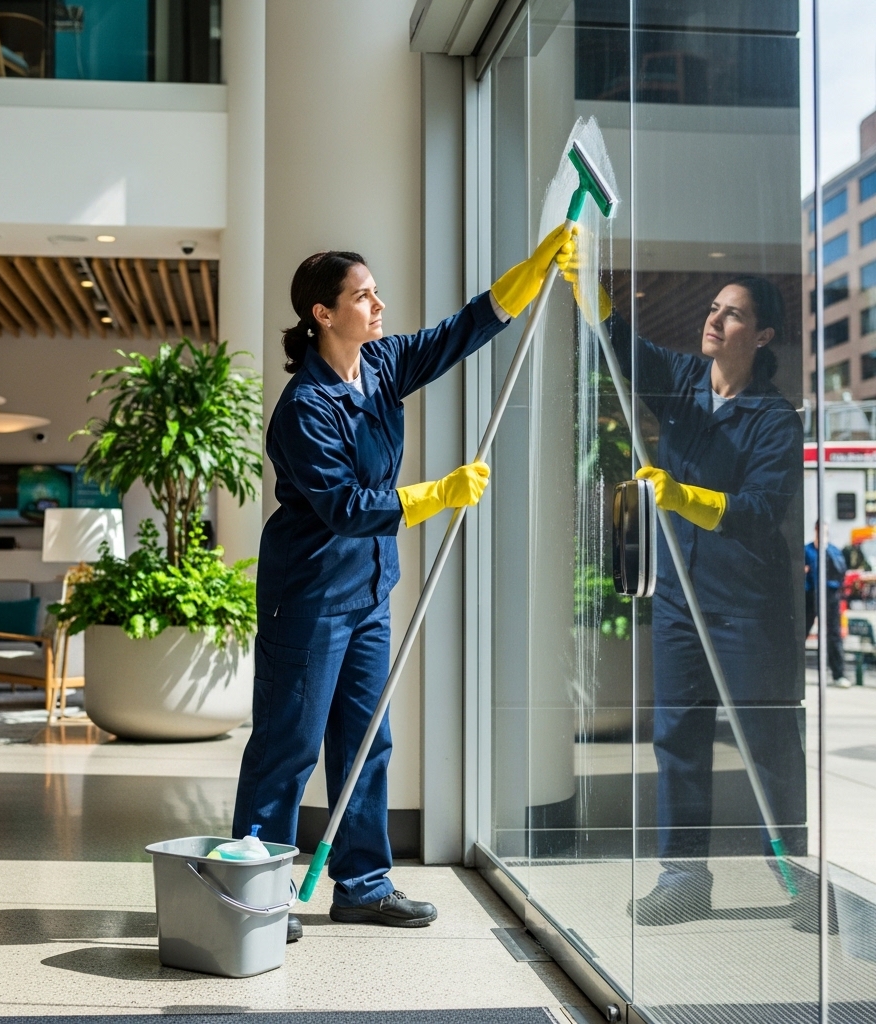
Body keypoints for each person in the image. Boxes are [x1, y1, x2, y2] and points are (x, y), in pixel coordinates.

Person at [234, 227, 574, 939]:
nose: (378, 304)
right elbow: (344, 508)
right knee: (289, 742)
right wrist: (437, 494)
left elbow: (460, 332)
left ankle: (362, 884)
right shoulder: (304, 408)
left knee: (366, 741)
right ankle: (255, 893)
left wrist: (533, 269)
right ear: (322, 314)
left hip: (367, 593)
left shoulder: (381, 364)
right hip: (309, 595)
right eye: (363, 296)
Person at [558, 244, 805, 925]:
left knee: (767, 741)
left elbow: (759, 514)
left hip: (747, 609)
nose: (716, 321)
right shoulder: (683, 382)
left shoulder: (775, 421)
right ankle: (684, 879)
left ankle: (799, 879)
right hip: (679, 601)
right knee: (678, 738)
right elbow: (622, 346)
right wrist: (589, 287)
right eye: (714, 309)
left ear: (761, 336)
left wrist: (684, 495)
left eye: (734, 315)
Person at [805, 521, 848, 687]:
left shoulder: (833, 551)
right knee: (801, 632)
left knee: (834, 634)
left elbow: (840, 571)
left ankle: (838, 674)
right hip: (810, 596)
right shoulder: (807, 550)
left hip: (829, 597)